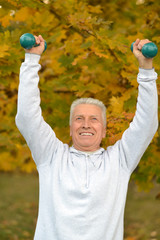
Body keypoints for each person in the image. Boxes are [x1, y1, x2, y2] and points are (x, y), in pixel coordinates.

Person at [15, 35, 158, 240]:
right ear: (71, 128)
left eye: (94, 119)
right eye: (79, 118)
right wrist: (31, 61)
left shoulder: (119, 161)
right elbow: (27, 117)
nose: (86, 124)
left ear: (104, 130)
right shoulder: (51, 156)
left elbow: (146, 124)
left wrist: (146, 69)